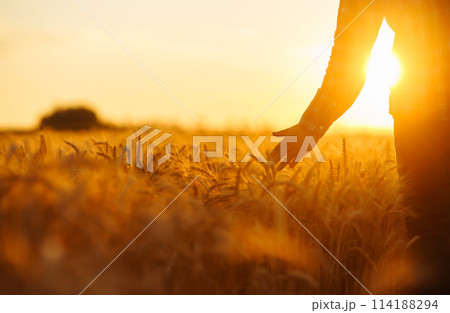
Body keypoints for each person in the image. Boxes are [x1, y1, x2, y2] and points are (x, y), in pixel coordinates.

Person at [271, 0, 449, 294]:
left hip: (422, 117)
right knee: (432, 244)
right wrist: (310, 126)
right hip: (422, 119)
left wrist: (311, 126)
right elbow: (348, 61)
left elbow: (348, 61)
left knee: (433, 247)